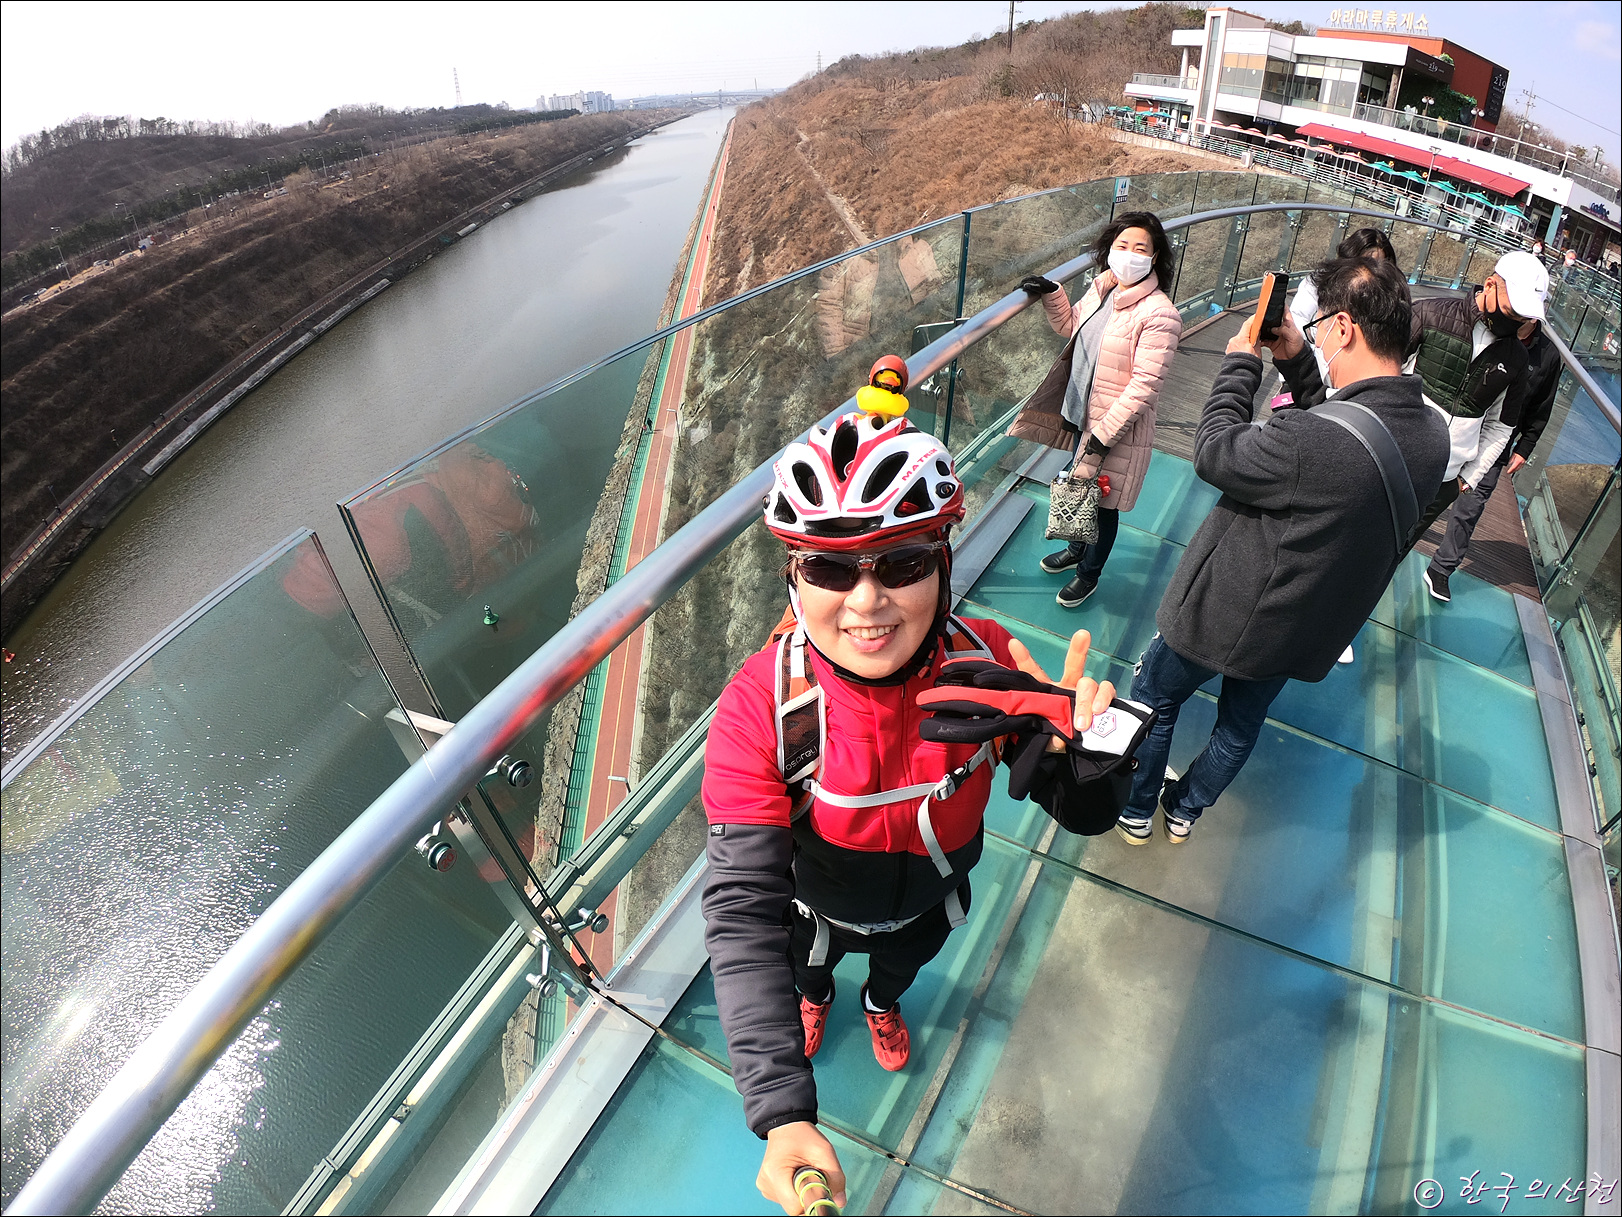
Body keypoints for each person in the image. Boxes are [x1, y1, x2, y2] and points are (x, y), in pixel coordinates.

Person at [702, 411, 1132, 1212]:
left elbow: (1082, 812)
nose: (867, 599)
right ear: (793, 578)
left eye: (900, 562)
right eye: (829, 568)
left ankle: (879, 1004)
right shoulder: (762, 707)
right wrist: (782, 1110)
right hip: (816, 911)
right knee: (808, 972)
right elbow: (741, 907)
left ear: (942, 561)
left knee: (893, 976)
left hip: (928, 907)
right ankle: (816, 998)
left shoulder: (988, 660)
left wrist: (1091, 755)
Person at [1115, 256, 1449, 845]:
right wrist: (1296, 360)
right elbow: (1346, 430)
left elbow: (1215, 452)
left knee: (1154, 699)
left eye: (1319, 327)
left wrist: (1241, 362)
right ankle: (1184, 811)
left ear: (1343, 327)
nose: (1316, 336)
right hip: (1302, 624)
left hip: (1224, 608)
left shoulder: (1306, 441)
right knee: (1239, 725)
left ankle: (1136, 811)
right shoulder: (1432, 435)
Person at [1011, 211, 1184, 608]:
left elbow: (1144, 387)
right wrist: (1052, 293)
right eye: (1122, 245)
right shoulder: (1104, 286)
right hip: (1082, 414)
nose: (1129, 255)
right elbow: (1073, 327)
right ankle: (1076, 549)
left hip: (1112, 428)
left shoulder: (1160, 314)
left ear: (1155, 257)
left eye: (1140, 248)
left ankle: (1088, 574)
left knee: (1103, 505)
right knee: (1081, 487)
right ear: (1110, 249)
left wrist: (1102, 439)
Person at [1425, 290, 1559, 600]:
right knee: (1425, 491)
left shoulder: (1548, 355)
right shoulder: (1483, 328)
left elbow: (1542, 405)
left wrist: (1525, 447)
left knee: (1470, 506)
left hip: (1496, 441)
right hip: (1454, 428)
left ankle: (1441, 568)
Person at [1405, 251, 1543, 546]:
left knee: (1397, 552)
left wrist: (1468, 478)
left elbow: (1502, 425)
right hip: (1394, 456)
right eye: (1511, 310)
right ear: (1490, 285)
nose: (1516, 321)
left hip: (1445, 479)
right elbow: (1384, 373)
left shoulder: (1517, 359)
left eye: (1523, 317)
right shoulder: (1428, 313)